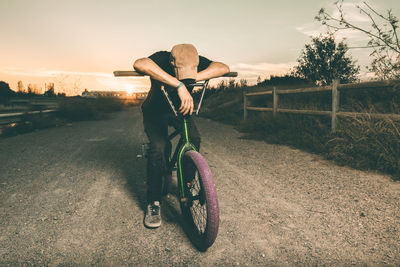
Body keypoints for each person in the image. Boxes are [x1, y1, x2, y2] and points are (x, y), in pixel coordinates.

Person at [133, 44, 230, 228]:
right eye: (181, 71)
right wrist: (178, 84)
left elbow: (224, 68)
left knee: (194, 139)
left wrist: (194, 77)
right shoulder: (162, 58)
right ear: (171, 61)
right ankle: (153, 203)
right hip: (155, 111)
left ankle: (187, 181)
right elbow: (139, 64)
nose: (186, 77)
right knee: (158, 148)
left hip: (178, 110)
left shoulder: (195, 61)